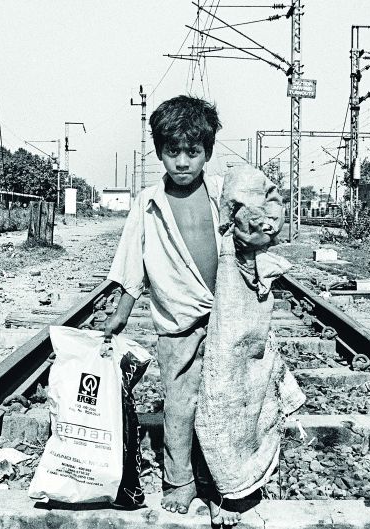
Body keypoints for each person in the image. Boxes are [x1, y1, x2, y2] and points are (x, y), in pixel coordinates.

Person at [104, 95, 240, 525]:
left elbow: (256, 231)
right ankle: (179, 480)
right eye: (172, 152)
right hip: (177, 320)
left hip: (225, 315)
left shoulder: (222, 192)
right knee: (180, 403)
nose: (182, 162)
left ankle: (225, 476)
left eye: (193, 152)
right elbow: (133, 258)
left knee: (226, 398)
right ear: (159, 151)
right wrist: (123, 307)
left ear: (208, 153)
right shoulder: (148, 202)